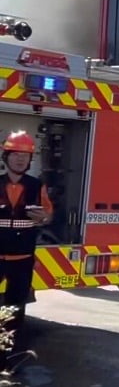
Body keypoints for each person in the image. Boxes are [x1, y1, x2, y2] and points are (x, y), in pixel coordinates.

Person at [0, 131, 53, 366]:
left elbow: (48, 215)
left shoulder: (36, 186)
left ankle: (5, 353)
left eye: (25, 155)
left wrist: (43, 217)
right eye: (16, 155)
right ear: (6, 157)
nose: (20, 159)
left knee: (14, 308)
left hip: (21, 259)